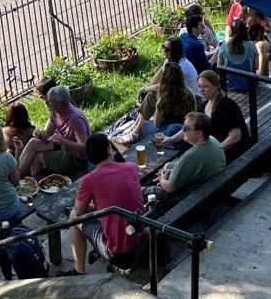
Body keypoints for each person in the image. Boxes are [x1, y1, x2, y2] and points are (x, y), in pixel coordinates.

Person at [56, 134, 145, 277]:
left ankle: (78, 271)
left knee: (73, 216)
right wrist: (100, 204)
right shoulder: (131, 167)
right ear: (109, 150)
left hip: (118, 252)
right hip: (143, 236)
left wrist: (95, 204)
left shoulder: (88, 180)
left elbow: (79, 212)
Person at [143, 112, 225, 212]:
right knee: (168, 166)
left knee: (143, 190)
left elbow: (169, 188)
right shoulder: (213, 140)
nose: (183, 131)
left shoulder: (190, 157)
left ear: (199, 133)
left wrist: (162, 179)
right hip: (211, 190)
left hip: (189, 202)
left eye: (186, 128)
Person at [160, 71, 250, 162]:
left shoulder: (227, 106)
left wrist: (213, 152)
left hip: (231, 153)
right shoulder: (205, 104)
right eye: (199, 86)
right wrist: (171, 139)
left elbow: (235, 137)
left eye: (205, 86)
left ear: (216, 86)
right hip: (212, 149)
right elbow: (189, 127)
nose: (201, 90)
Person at [16, 85, 91, 177]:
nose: (46, 102)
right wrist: (40, 136)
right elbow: (47, 135)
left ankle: (37, 186)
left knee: (37, 158)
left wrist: (63, 141)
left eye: (49, 101)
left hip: (76, 158)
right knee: (33, 142)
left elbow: (85, 148)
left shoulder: (75, 118)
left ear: (59, 105)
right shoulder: (55, 112)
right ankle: (15, 175)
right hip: (64, 146)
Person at [112, 63, 195, 146]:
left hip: (168, 132)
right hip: (184, 126)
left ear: (164, 78)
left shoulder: (163, 101)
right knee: (151, 95)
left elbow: (157, 124)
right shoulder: (189, 93)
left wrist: (157, 110)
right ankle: (134, 129)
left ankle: (135, 133)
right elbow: (193, 114)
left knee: (144, 126)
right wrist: (143, 90)